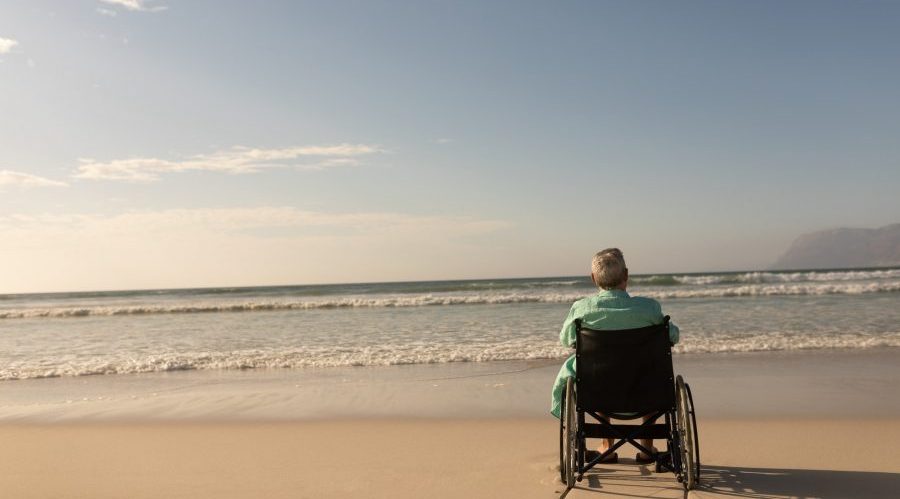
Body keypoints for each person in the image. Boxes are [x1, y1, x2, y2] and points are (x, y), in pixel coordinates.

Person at [550, 248, 679, 463]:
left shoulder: (581, 309)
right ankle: (647, 448)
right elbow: (672, 335)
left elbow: (566, 339)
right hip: (645, 387)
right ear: (626, 275)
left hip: (598, 386)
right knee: (649, 367)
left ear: (593, 279)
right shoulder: (649, 308)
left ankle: (606, 447)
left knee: (595, 369)